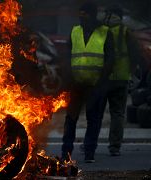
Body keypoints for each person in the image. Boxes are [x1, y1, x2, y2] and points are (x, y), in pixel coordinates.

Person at [61, 2, 114, 163]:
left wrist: (101, 82)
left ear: (92, 15)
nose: (82, 17)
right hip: (76, 85)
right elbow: (67, 56)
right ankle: (66, 153)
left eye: (85, 14)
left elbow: (110, 59)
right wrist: (68, 79)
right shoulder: (75, 31)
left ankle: (89, 152)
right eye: (80, 14)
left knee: (94, 120)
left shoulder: (105, 32)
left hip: (95, 85)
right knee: (70, 119)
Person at [101, 5, 137, 156]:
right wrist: (133, 75)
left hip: (103, 78)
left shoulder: (101, 30)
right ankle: (114, 147)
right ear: (121, 17)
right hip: (121, 78)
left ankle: (89, 145)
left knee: (96, 113)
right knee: (118, 114)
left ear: (109, 15)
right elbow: (134, 55)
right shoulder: (126, 31)